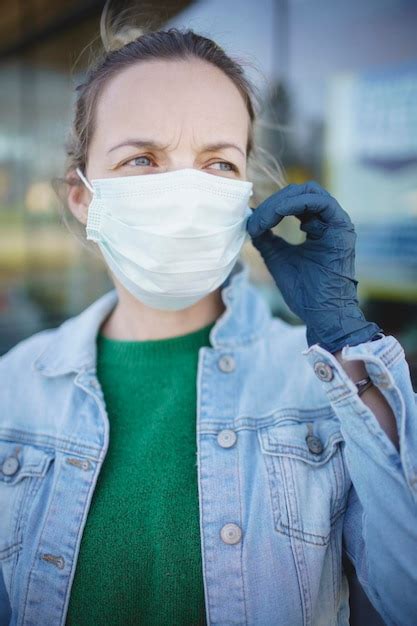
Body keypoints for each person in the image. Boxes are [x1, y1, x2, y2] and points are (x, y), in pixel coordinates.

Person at [1, 6, 417, 626]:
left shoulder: (321, 384)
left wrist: (349, 343)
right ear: (84, 197)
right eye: (141, 159)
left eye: (218, 163)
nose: (185, 192)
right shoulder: (15, 389)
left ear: (246, 191)